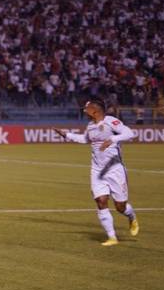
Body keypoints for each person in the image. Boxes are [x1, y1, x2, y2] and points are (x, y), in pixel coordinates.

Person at [55, 100, 139, 246]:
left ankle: (131, 216)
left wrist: (112, 139)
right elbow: (85, 139)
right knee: (101, 201)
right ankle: (112, 237)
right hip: (97, 170)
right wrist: (66, 135)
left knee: (120, 207)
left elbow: (130, 133)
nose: (84, 111)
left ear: (95, 111)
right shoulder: (90, 126)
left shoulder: (110, 121)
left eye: (86, 109)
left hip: (115, 170)